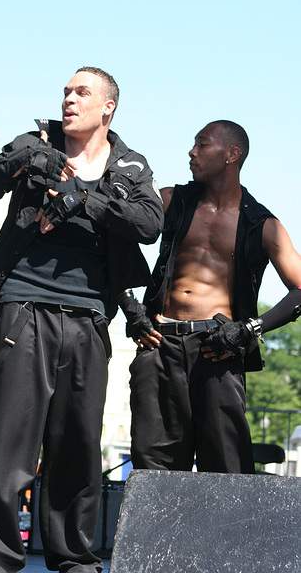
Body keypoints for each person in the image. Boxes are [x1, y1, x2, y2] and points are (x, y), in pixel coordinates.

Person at [0, 67, 164, 573]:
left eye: (82, 93)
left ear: (108, 107)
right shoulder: (36, 142)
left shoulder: (130, 164)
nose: (70, 100)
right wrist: (16, 162)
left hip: (90, 316)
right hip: (25, 306)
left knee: (76, 442)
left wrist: (85, 199)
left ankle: (74, 558)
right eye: (66, 92)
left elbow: (148, 223)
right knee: (9, 440)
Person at [120, 120, 301, 474]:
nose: (192, 152)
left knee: (226, 470)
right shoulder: (171, 201)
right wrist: (130, 307)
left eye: (202, 145)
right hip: (159, 345)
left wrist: (250, 330)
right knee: (152, 470)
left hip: (217, 348)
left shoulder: (262, 224)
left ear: (232, 155)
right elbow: (114, 241)